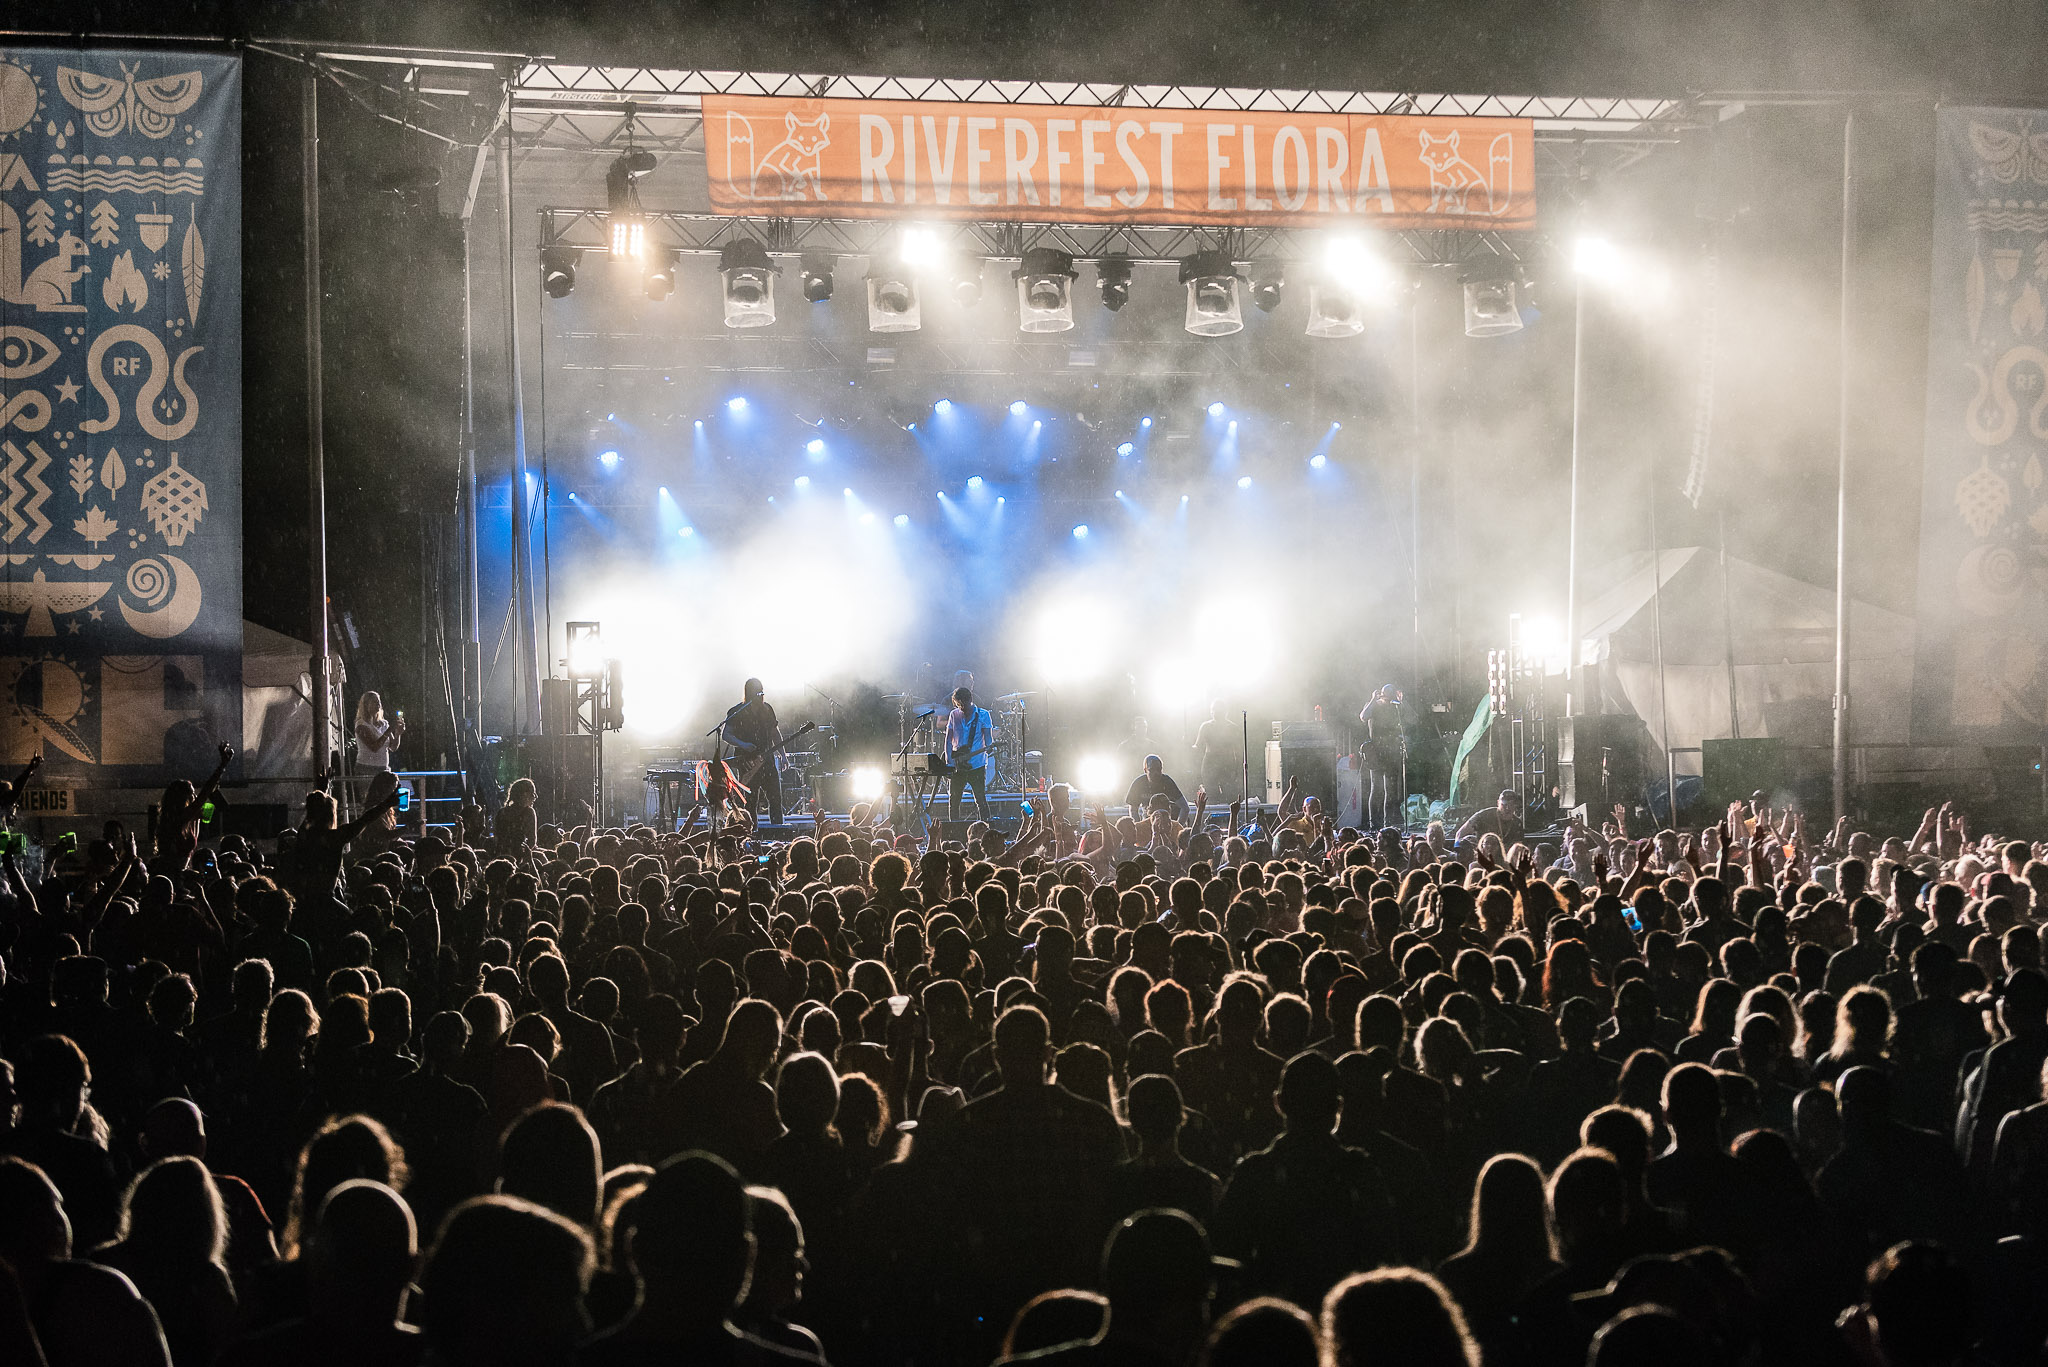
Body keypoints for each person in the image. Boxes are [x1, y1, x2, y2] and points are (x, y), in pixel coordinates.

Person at [723, 679, 785, 827]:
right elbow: (726, 734)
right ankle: (750, 832)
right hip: (747, 763)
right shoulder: (737, 712)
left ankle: (778, 832)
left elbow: (775, 733)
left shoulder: (767, 709)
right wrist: (743, 744)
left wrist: (783, 755)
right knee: (750, 802)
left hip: (767, 761)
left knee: (775, 799)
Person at [944, 685, 994, 826]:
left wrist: (990, 748)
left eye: (963, 704)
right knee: (954, 801)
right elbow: (948, 740)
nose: (961, 708)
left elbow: (988, 739)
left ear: (970, 700)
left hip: (976, 764)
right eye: (958, 705)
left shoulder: (983, 715)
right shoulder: (954, 715)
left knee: (980, 799)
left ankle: (986, 829)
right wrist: (949, 762)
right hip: (957, 765)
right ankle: (954, 830)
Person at [1358, 685, 1406, 830]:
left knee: (1390, 791)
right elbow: (1363, 716)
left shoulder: (1395, 707)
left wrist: (1403, 702)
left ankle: (1387, 823)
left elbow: (1413, 719)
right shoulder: (1373, 705)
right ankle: (1374, 824)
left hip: (1391, 752)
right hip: (1376, 753)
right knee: (1376, 789)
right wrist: (1373, 699)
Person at [1125, 755, 1190, 823]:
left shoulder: (1167, 782)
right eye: (1152, 770)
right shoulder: (1138, 784)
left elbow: (1185, 807)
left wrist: (1177, 826)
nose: (1156, 773)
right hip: (1148, 822)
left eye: (1158, 769)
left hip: (1168, 822)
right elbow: (1133, 810)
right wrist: (1137, 827)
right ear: (1145, 770)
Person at [353, 693, 404, 777]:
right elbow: (374, 747)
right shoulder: (361, 725)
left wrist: (398, 733)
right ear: (366, 705)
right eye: (374, 702)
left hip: (383, 768)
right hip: (366, 768)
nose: (378, 704)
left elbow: (393, 747)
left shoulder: (384, 723)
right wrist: (389, 731)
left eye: (379, 702)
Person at [1454, 788, 1523, 847]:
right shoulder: (1483, 816)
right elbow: (1460, 834)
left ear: (1516, 806)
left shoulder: (1517, 823)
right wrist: (1458, 850)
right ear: (1498, 803)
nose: (1507, 808)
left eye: (1511, 805)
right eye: (1504, 805)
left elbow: (1519, 846)